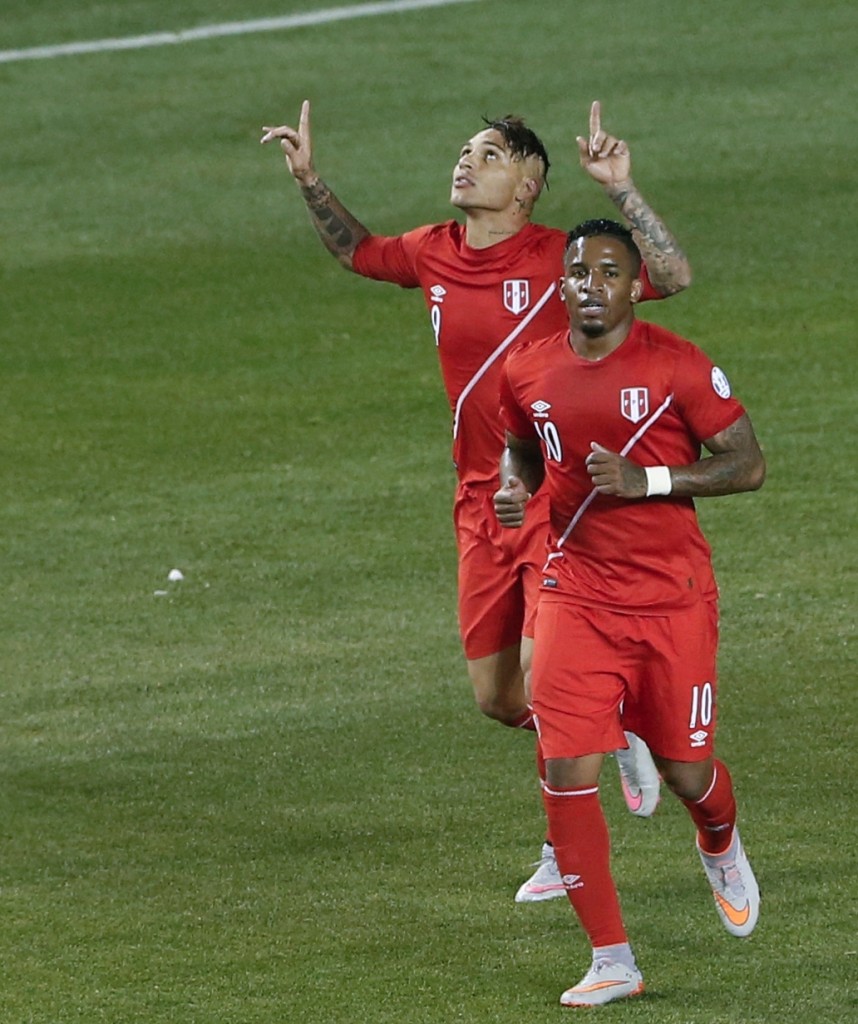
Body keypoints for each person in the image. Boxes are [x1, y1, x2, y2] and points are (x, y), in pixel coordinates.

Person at [260, 101, 687, 900]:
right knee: (498, 697)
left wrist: (623, 190)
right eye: (465, 150)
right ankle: (615, 728)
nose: (465, 162)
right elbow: (358, 251)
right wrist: (311, 180)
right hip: (478, 500)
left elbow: (672, 275)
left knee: (548, 670)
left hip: (552, 499)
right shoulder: (433, 250)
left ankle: (567, 849)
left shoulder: (566, 260)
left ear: (527, 185)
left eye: (488, 155)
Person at [493, 218, 765, 1006]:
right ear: (562, 284)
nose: (589, 283)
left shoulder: (678, 366)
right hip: (575, 593)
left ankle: (717, 836)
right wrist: (517, 489)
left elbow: (747, 466)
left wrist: (645, 482)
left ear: (636, 285)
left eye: (608, 271)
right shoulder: (530, 369)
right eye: (577, 270)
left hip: (672, 600)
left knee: (687, 769)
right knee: (564, 768)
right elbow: (523, 447)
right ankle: (613, 959)